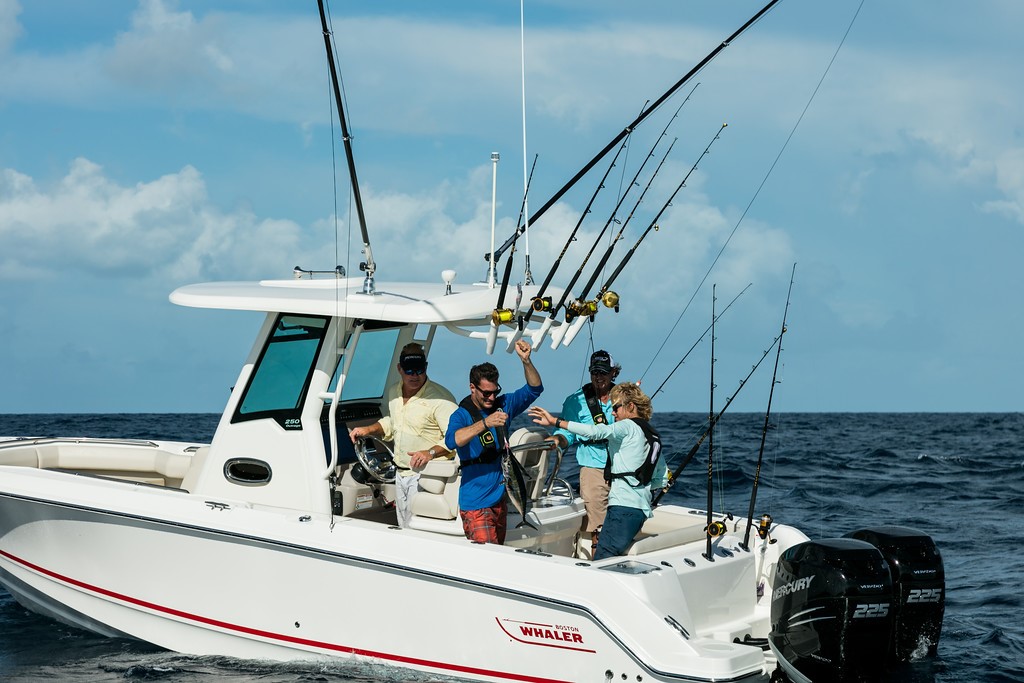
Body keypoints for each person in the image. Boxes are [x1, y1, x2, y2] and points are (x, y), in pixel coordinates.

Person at [529, 382, 666, 560]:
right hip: (640, 510)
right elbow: (660, 479)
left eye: (616, 407)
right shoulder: (652, 434)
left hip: (622, 508)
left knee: (604, 557)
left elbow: (596, 432)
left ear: (631, 406)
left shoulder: (628, 426)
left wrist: (556, 422)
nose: (613, 413)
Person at [445, 339, 543, 545]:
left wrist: (526, 361)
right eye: (486, 393)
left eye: (495, 392)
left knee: (499, 554)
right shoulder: (461, 415)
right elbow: (453, 440)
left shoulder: (503, 404)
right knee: (488, 560)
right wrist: (485, 423)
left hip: (500, 500)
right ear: (472, 388)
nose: (491, 398)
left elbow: (535, 388)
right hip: (476, 504)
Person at [349, 343, 457, 528]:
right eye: (409, 370)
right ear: (400, 369)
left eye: (419, 370)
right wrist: (367, 429)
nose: (414, 375)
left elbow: (455, 437)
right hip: (400, 474)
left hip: (426, 476)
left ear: (426, 367)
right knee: (403, 526)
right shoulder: (393, 392)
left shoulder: (442, 399)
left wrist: (428, 453)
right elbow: (393, 423)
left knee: (417, 529)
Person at [551, 349, 620, 554]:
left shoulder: (623, 396)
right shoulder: (575, 400)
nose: (599, 377)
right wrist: (558, 441)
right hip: (593, 468)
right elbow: (567, 433)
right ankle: (599, 560)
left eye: (604, 372)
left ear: (613, 373)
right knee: (597, 524)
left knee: (620, 519)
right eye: (594, 372)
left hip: (623, 466)